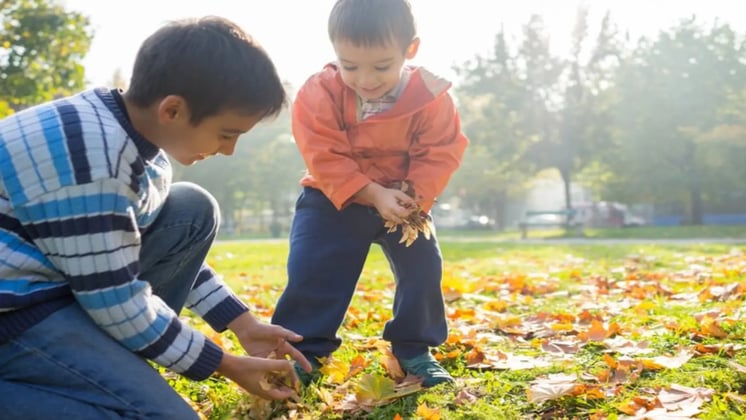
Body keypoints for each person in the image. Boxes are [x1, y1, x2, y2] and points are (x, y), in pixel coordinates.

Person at [0, 16, 311, 419]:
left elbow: (135, 246)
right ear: (173, 110)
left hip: (55, 290)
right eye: (227, 133)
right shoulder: (93, 164)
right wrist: (226, 364)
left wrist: (242, 324)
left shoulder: (134, 140)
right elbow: (115, 300)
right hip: (16, 316)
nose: (229, 150)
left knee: (190, 209)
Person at [271, 0, 468, 388]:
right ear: (336, 54)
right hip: (334, 198)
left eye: (381, 66)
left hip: (403, 201)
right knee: (314, 270)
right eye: (350, 65)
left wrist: (415, 197)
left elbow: (440, 152)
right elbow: (323, 154)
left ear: (409, 50)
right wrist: (372, 192)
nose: (365, 79)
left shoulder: (431, 97)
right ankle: (303, 350)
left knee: (422, 269)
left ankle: (414, 347)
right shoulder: (319, 92)